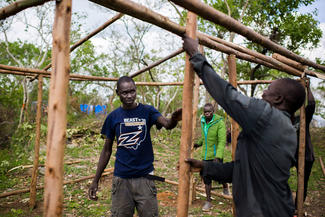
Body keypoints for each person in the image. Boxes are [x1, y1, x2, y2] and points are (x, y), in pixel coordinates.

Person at [182, 35, 306, 217]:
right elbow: (241, 170)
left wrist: (196, 55)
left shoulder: (267, 116)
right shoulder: (287, 131)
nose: (263, 92)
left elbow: (228, 96)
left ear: (279, 99)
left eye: (269, 90)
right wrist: (204, 167)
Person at [88, 76, 182, 217]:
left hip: (145, 178)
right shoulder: (113, 117)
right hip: (121, 179)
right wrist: (95, 180)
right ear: (117, 92)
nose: (129, 96)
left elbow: (167, 124)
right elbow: (106, 151)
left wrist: (174, 119)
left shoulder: (147, 111)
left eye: (132, 91)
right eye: (125, 92)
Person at [194, 103, 228, 211]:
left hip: (215, 155)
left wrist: (218, 157)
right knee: (206, 177)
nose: (207, 113)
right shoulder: (203, 121)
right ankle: (208, 201)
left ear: (213, 112)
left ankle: (225, 186)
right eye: (205, 112)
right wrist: (198, 143)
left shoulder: (220, 122)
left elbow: (222, 141)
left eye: (209, 111)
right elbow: (205, 137)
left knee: (220, 175)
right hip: (205, 155)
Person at [293, 84, 315, 210]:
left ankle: (297, 208)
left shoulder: (302, 117)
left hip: (306, 156)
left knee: (302, 183)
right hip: (292, 156)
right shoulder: (285, 119)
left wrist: (307, 88)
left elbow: (311, 104)